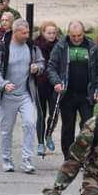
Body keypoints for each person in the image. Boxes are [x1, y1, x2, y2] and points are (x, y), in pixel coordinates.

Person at [0, 19, 46, 174]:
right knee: (6, 130)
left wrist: (37, 68)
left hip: (26, 93)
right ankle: (7, 159)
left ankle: (27, 160)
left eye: (28, 32)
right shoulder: (2, 48)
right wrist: (3, 84)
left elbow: (41, 62)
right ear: (15, 32)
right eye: (24, 33)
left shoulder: (32, 47)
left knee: (29, 124)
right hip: (8, 96)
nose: (27, 35)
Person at [47, 20, 98, 161]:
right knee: (68, 127)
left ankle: (84, 155)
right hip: (67, 94)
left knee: (88, 127)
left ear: (84, 33)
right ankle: (69, 158)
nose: (77, 38)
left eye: (79, 35)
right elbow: (51, 68)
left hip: (86, 94)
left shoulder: (93, 47)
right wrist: (56, 82)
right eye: (73, 36)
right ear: (69, 34)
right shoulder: (61, 46)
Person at [34, 20, 61, 157]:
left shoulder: (60, 45)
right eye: (49, 33)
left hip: (54, 84)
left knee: (54, 113)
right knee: (41, 114)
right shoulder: (35, 45)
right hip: (40, 83)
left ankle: (49, 134)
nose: (52, 35)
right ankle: (40, 142)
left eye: (54, 33)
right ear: (43, 33)